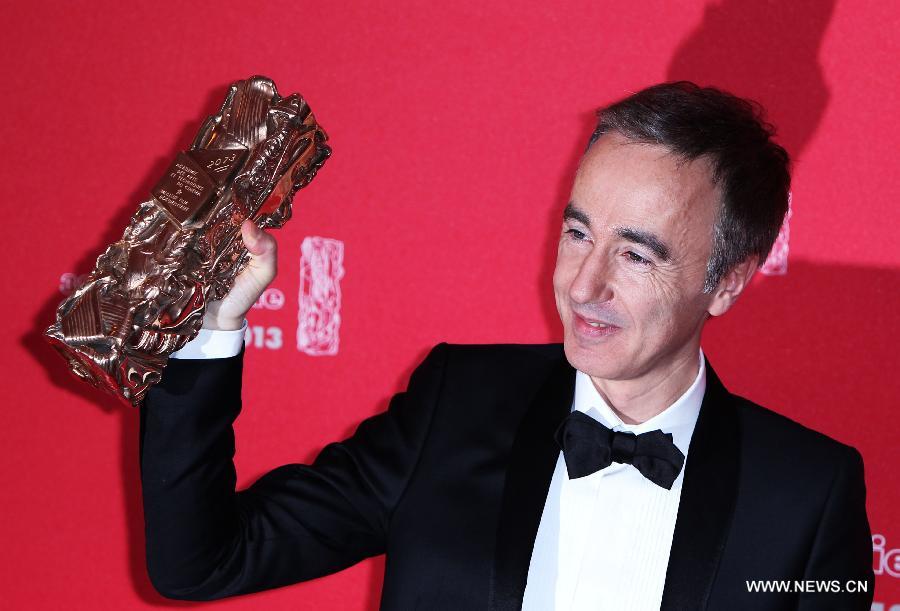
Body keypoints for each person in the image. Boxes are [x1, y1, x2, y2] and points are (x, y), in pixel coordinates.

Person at [139, 82, 874, 610]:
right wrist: (212, 325)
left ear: (727, 283)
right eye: (578, 233)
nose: (585, 286)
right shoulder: (456, 405)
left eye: (636, 255)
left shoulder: (807, 494)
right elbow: (200, 562)